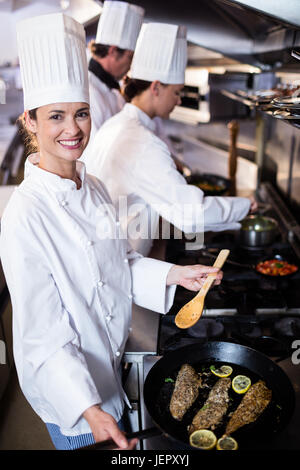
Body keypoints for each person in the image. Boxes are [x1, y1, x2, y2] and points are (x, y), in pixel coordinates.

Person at [0, 13, 223, 451]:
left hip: (110, 368)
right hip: (72, 398)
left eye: (81, 114)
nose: (73, 129)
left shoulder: (94, 186)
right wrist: (87, 408)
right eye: (56, 116)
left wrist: (175, 275)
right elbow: (43, 335)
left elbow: (120, 265)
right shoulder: (25, 214)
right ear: (31, 121)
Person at [84, 22, 257, 256]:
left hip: (106, 251)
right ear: (156, 87)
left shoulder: (116, 125)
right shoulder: (142, 142)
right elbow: (191, 213)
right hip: (120, 261)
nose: (178, 101)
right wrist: (245, 206)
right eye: (176, 92)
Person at [87, 0, 144, 141]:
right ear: (113, 51)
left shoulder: (111, 88)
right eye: (130, 57)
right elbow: (96, 152)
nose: (130, 65)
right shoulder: (90, 93)